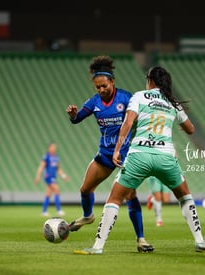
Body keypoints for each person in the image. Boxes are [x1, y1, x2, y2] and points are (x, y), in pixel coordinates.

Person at [74, 66, 205, 255]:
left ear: (150, 80)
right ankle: (200, 241)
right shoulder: (173, 102)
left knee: (115, 198)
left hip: (139, 155)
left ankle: (98, 246)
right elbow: (190, 129)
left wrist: (117, 149)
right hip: (165, 156)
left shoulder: (139, 96)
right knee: (184, 195)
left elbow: (128, 123)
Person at [65, 55, 154, 252]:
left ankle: (141, 239)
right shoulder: (94, 102)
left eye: (104, 85)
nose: (101, 90)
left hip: (125, 155)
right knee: (85, 189)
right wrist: (73, 115)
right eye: (97, 87)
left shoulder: (126, 98)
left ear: (112, 81)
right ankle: (88, 216)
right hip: (105, 154)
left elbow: (138, 118)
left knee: (130, 195)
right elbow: (77, 118)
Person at [34, 143, 69, 217]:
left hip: (53, 177)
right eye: (52, 147)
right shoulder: (46, 157)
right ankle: (59, 210)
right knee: (57, 190)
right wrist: (38, 176)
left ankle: (44, 211)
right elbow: (41, 167)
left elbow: (58, 169)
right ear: (49, 148)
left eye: (55, 147)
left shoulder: (56, 157)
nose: (54, 148)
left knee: (48, 194)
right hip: (48, 177)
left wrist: (64, 176)